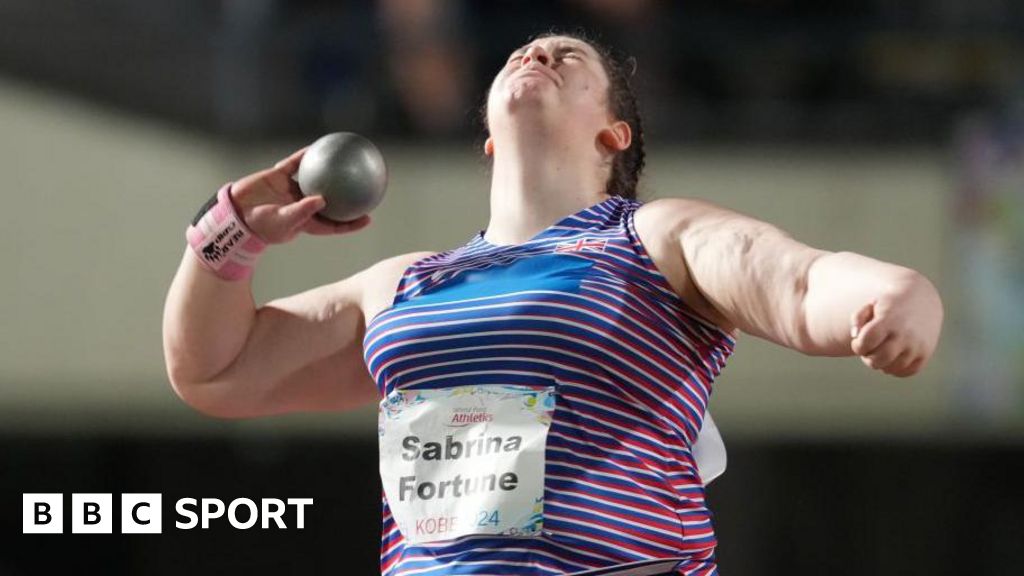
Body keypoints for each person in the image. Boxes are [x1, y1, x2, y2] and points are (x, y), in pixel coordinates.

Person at [163, 32, 944, 576]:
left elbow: (802, 284)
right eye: (520, 53)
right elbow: (217, 368)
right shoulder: (403, 285)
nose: (537, 53)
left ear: (614, 133)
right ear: (488, 143)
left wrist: (896, 296)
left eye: (568, 58)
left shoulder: (655, 238)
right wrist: (230, 230)